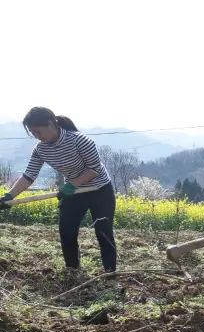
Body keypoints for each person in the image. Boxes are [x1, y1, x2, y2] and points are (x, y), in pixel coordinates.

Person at [0, 108, 117, 274]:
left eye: (38, 131)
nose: (37, 136)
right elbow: (29, 175)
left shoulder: (80, 140)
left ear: (50, 123)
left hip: (99, 189)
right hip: (73, 192)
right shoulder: (41, 149)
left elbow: (94, 169)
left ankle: (110, 272)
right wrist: (9, 195)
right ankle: (72, 271)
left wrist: (71, 185)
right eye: (33, 133)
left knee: (103, 231)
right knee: (67, 231)